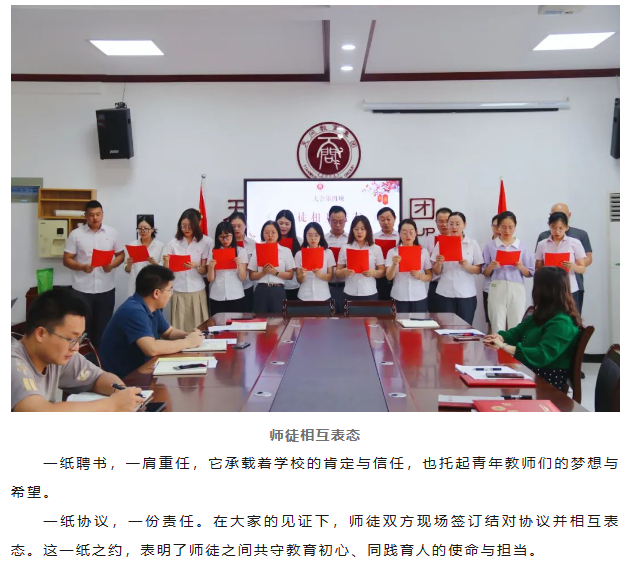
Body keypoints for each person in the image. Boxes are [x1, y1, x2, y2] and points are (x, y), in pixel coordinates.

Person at [11, 288, 145, 412]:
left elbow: (98, 377)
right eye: (70, 339)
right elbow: (40, 412)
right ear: (41, 334)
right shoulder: (12, 363)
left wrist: (121, 392)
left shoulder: (55, 355)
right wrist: (112, 404)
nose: (75, 347)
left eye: (79, 338)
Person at [483, 266, 582, 389]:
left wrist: (504, 346)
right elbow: (517, 332)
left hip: (546, 381)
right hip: (532, 372)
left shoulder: (562, 322)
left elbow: (541, 355)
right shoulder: (542, 314)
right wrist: (500, 337)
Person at [100, 264, 204, 379]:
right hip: (124, 379)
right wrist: (187, 342)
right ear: (156, 293)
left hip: (143, 371)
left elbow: (169, 332)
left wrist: (189, 335)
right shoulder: (134, 311)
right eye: (170, 290)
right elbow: (151, 348)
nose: (171, 295)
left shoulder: (151, 306)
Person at [62, 200, 124, 348]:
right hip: (82, 290)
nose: (95, 218)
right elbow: (66, 259)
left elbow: (121, 255)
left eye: (98, 214)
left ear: (102, 214)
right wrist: (82, 267)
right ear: (85, 216)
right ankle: (83, 359)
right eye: (91, 215)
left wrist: (111, 265)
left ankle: (100, 360)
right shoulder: (76, 234)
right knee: (82, 330)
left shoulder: (112, 233)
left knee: (104, 329)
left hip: (106, 289)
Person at [536, 202, 592, 314]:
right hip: (549, 288)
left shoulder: (575, 243)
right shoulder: (542, 244)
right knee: (549, 317)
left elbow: (582, 268)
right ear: (549, 226)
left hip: (570, 288)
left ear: (566, 227)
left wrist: (573, 266)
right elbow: (537, 268)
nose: (557, 231)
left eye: (561, 228)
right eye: (554, 228)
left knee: (571, 318)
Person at [483, 211, 534, 333]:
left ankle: (513, 346)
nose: (507, 230)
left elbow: (530, 272)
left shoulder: (522, 246)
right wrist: (491, 266)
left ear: (515, 227)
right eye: (503, 227)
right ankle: (497, 345)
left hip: (517, 287)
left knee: (516, 323)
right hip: (497, 285)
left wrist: (521, 267)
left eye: (511, 227)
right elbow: (484, 272)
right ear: (497, 227)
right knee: (497, 322)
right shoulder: (490, 245)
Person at [163, 210, 213, 331]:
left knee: (199, 326)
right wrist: (166, 262)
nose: (186, 229)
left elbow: (204, 271)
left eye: (190, 226)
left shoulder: (206, 242)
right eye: (183, 226)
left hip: (197, 289)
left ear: (197, 225)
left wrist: (196, 266)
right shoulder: (172, 243)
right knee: (179, 326)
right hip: (178, 289)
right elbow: (165, 271)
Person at [431, 211, 484, 325]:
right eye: (451, 223)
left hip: (466, 293)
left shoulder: (472, 244)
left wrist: (467, 266)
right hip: (445, 293)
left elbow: (478, 269)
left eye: (457, 224)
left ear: (464, 225)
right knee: (445, 329)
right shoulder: (441, 243)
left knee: (465, 328)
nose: (454, 227)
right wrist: (439, 263)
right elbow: (436, 271)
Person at [385, 218, 432, 312]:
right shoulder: (392, 252)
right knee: (399, 321)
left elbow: (430, 276)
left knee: (419, 321)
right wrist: (394, 264)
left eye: (411, 232)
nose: (408, 235)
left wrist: (420, 276)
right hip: (399, 296)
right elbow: (389, 277)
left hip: (419, 296)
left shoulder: (423, 251)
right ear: (399, 234)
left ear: (416, 233)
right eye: (404, 232)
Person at [249, 220, 296, 313]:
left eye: (273, 232)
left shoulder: (286, 251)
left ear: (278, 234)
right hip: (261, 290)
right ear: (262, 234)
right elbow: (251, 276)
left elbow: (290, 275)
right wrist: (263, 272)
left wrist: (276, 272)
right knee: (260, 319)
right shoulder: (257, 250)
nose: (270, 235)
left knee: (278, 319)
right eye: (266, 232)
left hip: (278, 290)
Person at [336, 215, 385, 302]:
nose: (359, 232)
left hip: (369, 292)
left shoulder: (376, 248)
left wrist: (373, 273)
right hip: (349, 292)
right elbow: (338, 272)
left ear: (368, 230)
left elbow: (382, 271)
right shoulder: (345, 248)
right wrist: (344, 272)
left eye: (363, 229)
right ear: (352, 230)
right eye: (356, 229)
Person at [207, 221, 248, 314]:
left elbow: (243, 278)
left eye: (227, 236)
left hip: (235, 294)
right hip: (217, 294)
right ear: (217, 237)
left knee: (235, 322)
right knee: (217, 322)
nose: (225, 240)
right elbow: (210, 279)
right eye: (221, 237)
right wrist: (211, 267)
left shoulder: (241, 251)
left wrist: (239, 265)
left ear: (233, 235)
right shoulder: (213, 252)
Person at [124, 214, 164, 297]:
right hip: (135, 286)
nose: (142, 231)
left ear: (152, 229)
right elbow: (127, 269)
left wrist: (155, 263)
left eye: (146, 228)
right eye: (140, 229)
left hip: (153, 285)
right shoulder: (132, 245)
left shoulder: (160, 246)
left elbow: (164, 269)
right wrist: (129, 264)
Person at [295, 222, 335, 301]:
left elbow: (330, 277)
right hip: (304, 296)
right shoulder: (299, 254)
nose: (313, 238)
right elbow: (298, 279)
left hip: (323, 296)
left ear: (320, 236)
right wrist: (303, 275)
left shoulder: (328, 253)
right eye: (310, 235)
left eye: (316, 235)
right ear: (305, 236)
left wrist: (320, 274)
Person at [423, 206, 452, 313]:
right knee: (434, 317)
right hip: (435, 284)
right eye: (440, 221)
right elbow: (425, 263)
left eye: (447, 221)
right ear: (436, 222)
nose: (444, 224)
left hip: (452, 284)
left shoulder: (459, 240)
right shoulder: (429, 240)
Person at [229, 211, 256, 312]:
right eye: (233, 226)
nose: (236, 229)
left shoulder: (253, 244)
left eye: (239, 226)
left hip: (247, 286)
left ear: (245, 225)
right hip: (230, 287)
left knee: (246, 316)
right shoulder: (225, 244)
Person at [325, 205, 349, 313]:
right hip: (327, 286)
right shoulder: (322, 240)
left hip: (346, 286)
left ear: (346, 220)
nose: (338, 225)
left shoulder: (351, 240)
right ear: (328, 220)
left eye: (341, 222)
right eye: (334, 221)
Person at [275, 210, 302, 301]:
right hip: (276, 284)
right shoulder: (271, 241)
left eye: (287, 224)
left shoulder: (299, 241)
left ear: (292, 225)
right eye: (280, 223)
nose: (283, 226)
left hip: (293, 285)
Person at [374, 206, 399, 301]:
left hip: (396, 277)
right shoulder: (373, 238)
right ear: (378, 220)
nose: (385, 222)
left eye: (388, 219)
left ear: (395, 219)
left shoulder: (400, 237)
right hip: (379, 278)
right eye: (382, 220)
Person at [481, 215, 500, 333]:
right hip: (489, 288)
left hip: (507, 289)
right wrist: (491, 266)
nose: (497, 229)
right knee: (491, 324)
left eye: (500, 226)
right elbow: (483, 270)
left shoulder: (515, 244)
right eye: (495, 226)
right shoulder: (485, 245)